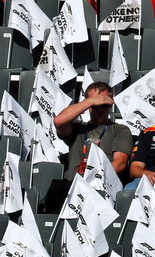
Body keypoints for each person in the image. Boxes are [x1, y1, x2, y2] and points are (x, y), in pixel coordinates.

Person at [45, 81, 134, 211]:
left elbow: (119, 163)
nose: (99, 109)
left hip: (101, 188)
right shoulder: (78, 128)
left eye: (103, 105)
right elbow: (59, 121)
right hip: (72, 187)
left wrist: (93, 182)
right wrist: (90, 101)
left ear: (110, 104)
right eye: (95, 105)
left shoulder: (119, 129)